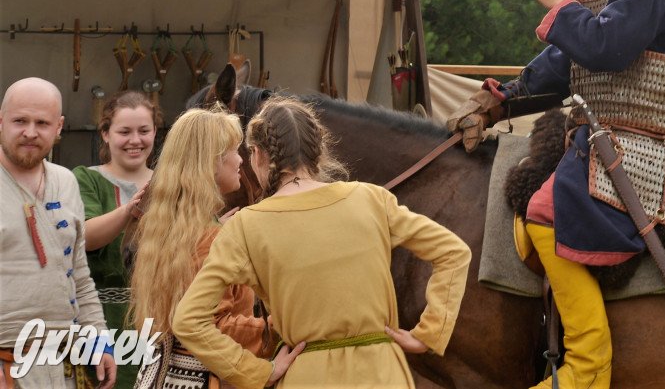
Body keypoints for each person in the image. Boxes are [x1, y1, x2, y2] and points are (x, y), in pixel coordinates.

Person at [446, 0, 665, 389]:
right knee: (526, 206)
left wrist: (563, 5)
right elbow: (563, 64)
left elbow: (605, 49)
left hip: (645, 144)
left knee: (544, 213)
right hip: (612, 138)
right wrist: (498, 100)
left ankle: (587, 366)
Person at [173, 96, 472, 388]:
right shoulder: (371, 199)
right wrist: (429, 332)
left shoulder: (244, 227)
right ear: (318, 151)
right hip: (383, 374)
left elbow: (188, 320)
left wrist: (257, 371)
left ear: (258, 155)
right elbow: (453, 252)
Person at [129, 107, 275, 387]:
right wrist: (277, 331)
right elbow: (214, 326)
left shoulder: (169, 230)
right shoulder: (209, 238)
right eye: (234, 151)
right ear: (211, 163)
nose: (240, 160)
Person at [0, 78, 117, 389]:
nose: (30, 132)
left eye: (42, 122)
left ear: (59, 126)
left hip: (62, 366)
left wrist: (97, 336)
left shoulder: (65, 182)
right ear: (1, 121)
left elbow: (78, 271)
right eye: (19, 121)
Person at [73, 91, 162, 389]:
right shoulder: (85, 179)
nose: (135, 140)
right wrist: (129, 211)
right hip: (102, 324)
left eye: (143, 131)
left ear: (155, 133)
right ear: (106, 134)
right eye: (124, 131)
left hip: (158, 325)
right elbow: (84, 237)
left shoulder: (170, 182)